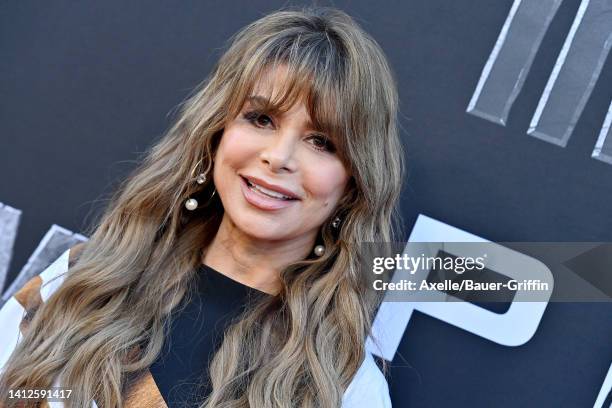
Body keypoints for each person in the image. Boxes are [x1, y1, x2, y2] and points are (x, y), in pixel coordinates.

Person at [0, 6, 404, 408]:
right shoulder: (84, 281)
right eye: (261, 118)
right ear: (216, 132)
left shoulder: (345, 388)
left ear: (354, 183)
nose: (279, 157)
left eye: (322, 142)